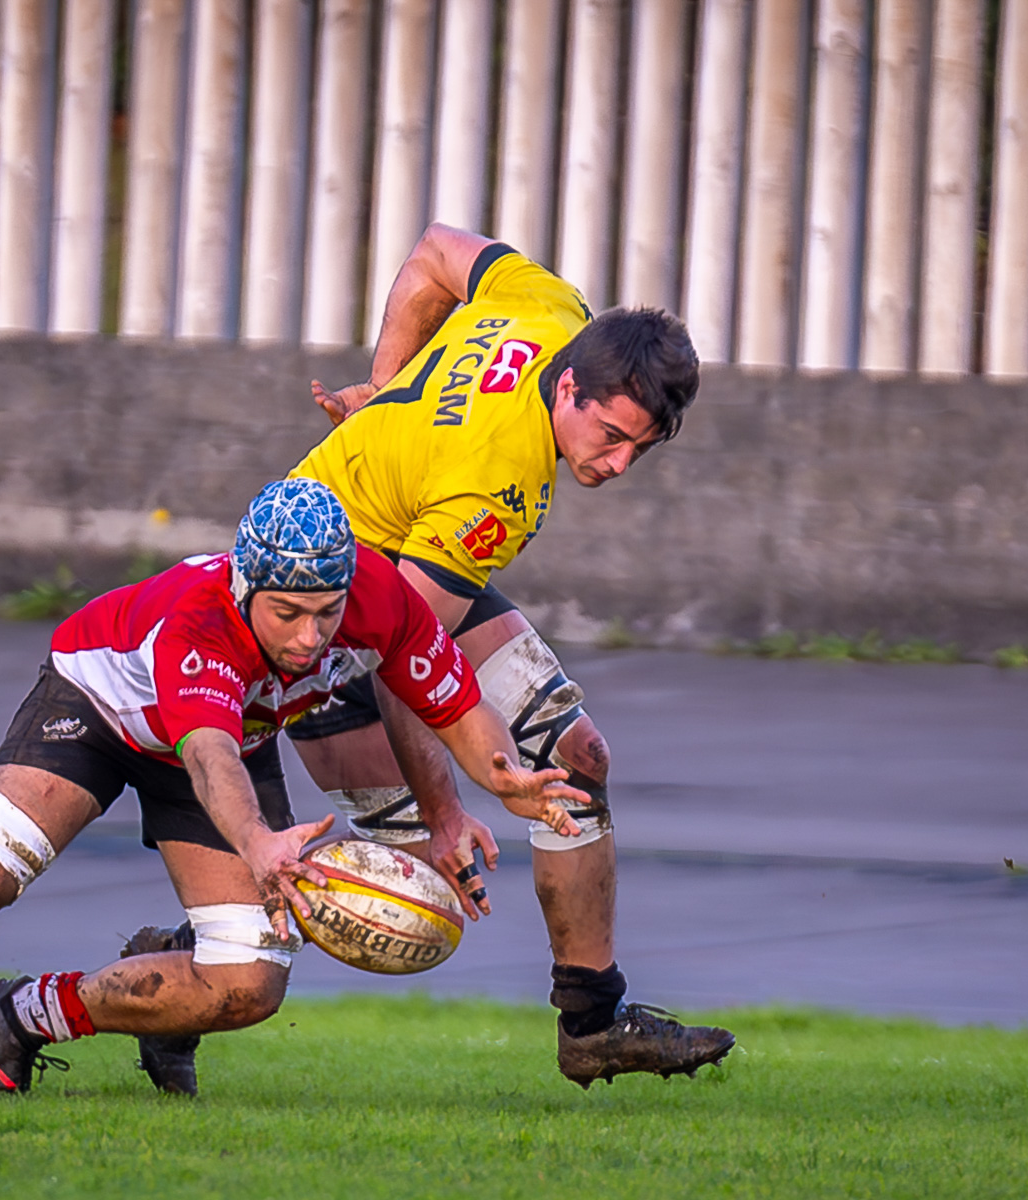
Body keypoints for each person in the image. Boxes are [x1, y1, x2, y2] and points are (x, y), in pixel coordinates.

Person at [0, 479, 589, 1094]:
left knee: (247, 985)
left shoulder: (378, 597)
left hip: (224, 739)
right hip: (102, 706)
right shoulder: (198, 622)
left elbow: (447, 701)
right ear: (245, 585)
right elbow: (208, 759)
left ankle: (18, 1012)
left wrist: (501, 786)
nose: (314, 638)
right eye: (288, 614)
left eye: (326, 613)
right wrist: (264, 847)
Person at [133, 224, 733, 1091]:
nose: (619, 463)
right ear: (569, 383)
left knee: (578, 758)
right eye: (609, 436)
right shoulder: (500, 485)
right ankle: (184, 969)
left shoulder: (547, 305)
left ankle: (594, 1024)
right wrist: (446, 810)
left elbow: (434, 251)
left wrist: (387, 389)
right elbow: (405, 658)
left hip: (411, 558)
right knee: (412, 893)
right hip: (326, 625)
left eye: (640, 446)